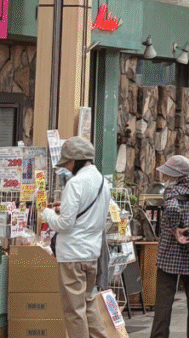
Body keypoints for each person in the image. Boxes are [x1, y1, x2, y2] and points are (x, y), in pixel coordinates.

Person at [42, 137, 111, 338]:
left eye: (68, 162)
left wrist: (46, 213)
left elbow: (64, 224)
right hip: (91, 253)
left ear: (76, 160)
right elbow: (91, 214)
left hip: (72, 254)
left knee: (74, 310)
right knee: (88, 302)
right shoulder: (102, 182)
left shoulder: (75, 183)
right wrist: (63, 209)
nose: (66, 167)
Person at [151, 155, 189, 338]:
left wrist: (175, 228)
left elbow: (171, 209)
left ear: (173, 174)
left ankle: (159, 336)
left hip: (170, 254)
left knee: (164, 301)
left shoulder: (171, 191)